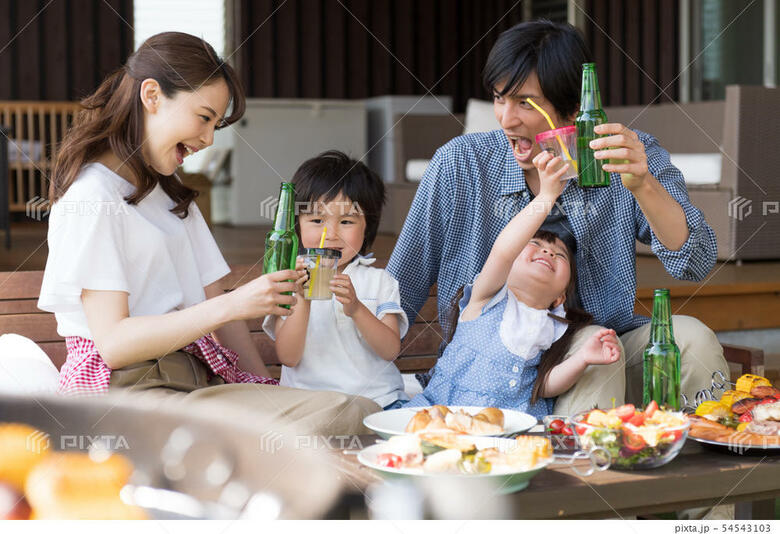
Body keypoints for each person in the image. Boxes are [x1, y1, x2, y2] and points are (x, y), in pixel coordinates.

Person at [37, 32, 379, 435]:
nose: (208, 139)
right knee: (339, 422)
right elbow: (114, 344)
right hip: (131, 392)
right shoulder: (93, 197)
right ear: (152, 95)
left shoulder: (170, 196)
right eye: (204, 117)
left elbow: (225, 318)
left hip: (197, 383)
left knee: (357, 413)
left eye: (216, 125)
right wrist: (234, 305)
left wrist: (269, 391)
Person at [387, 19, 729, 415]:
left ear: (573, 108)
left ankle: (707, 451)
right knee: (597, 351)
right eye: (499, 98)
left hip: (605, 349)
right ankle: (587, 455)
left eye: (524, 103)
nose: (506, 119)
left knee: (691, 341)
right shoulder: (460, 165)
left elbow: (696, 262)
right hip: (492, 372)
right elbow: (399, 291)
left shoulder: (627, 156)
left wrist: (643, 184)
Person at [405, 150, 620, 415]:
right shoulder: (487, 299)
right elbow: (503, 252)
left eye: (560, 255)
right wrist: (546, 197)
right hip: (447, 414)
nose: (548, 251)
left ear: (560, 298)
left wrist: (582, 359)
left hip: (512, 425)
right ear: (507, 270)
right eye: (535, 245)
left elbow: (542, 386)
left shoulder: (551, 328)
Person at [263, 151, 409, 410]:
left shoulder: (380, 281)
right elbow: (288, 357)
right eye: (317, 220)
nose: (330, 234)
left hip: (378, 402)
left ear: (367, 227)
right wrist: (302, 299)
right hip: (309, 406)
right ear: (297, 224)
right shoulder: (287, 279)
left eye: (346, 221)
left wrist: (357, 309)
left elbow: (390, 351)